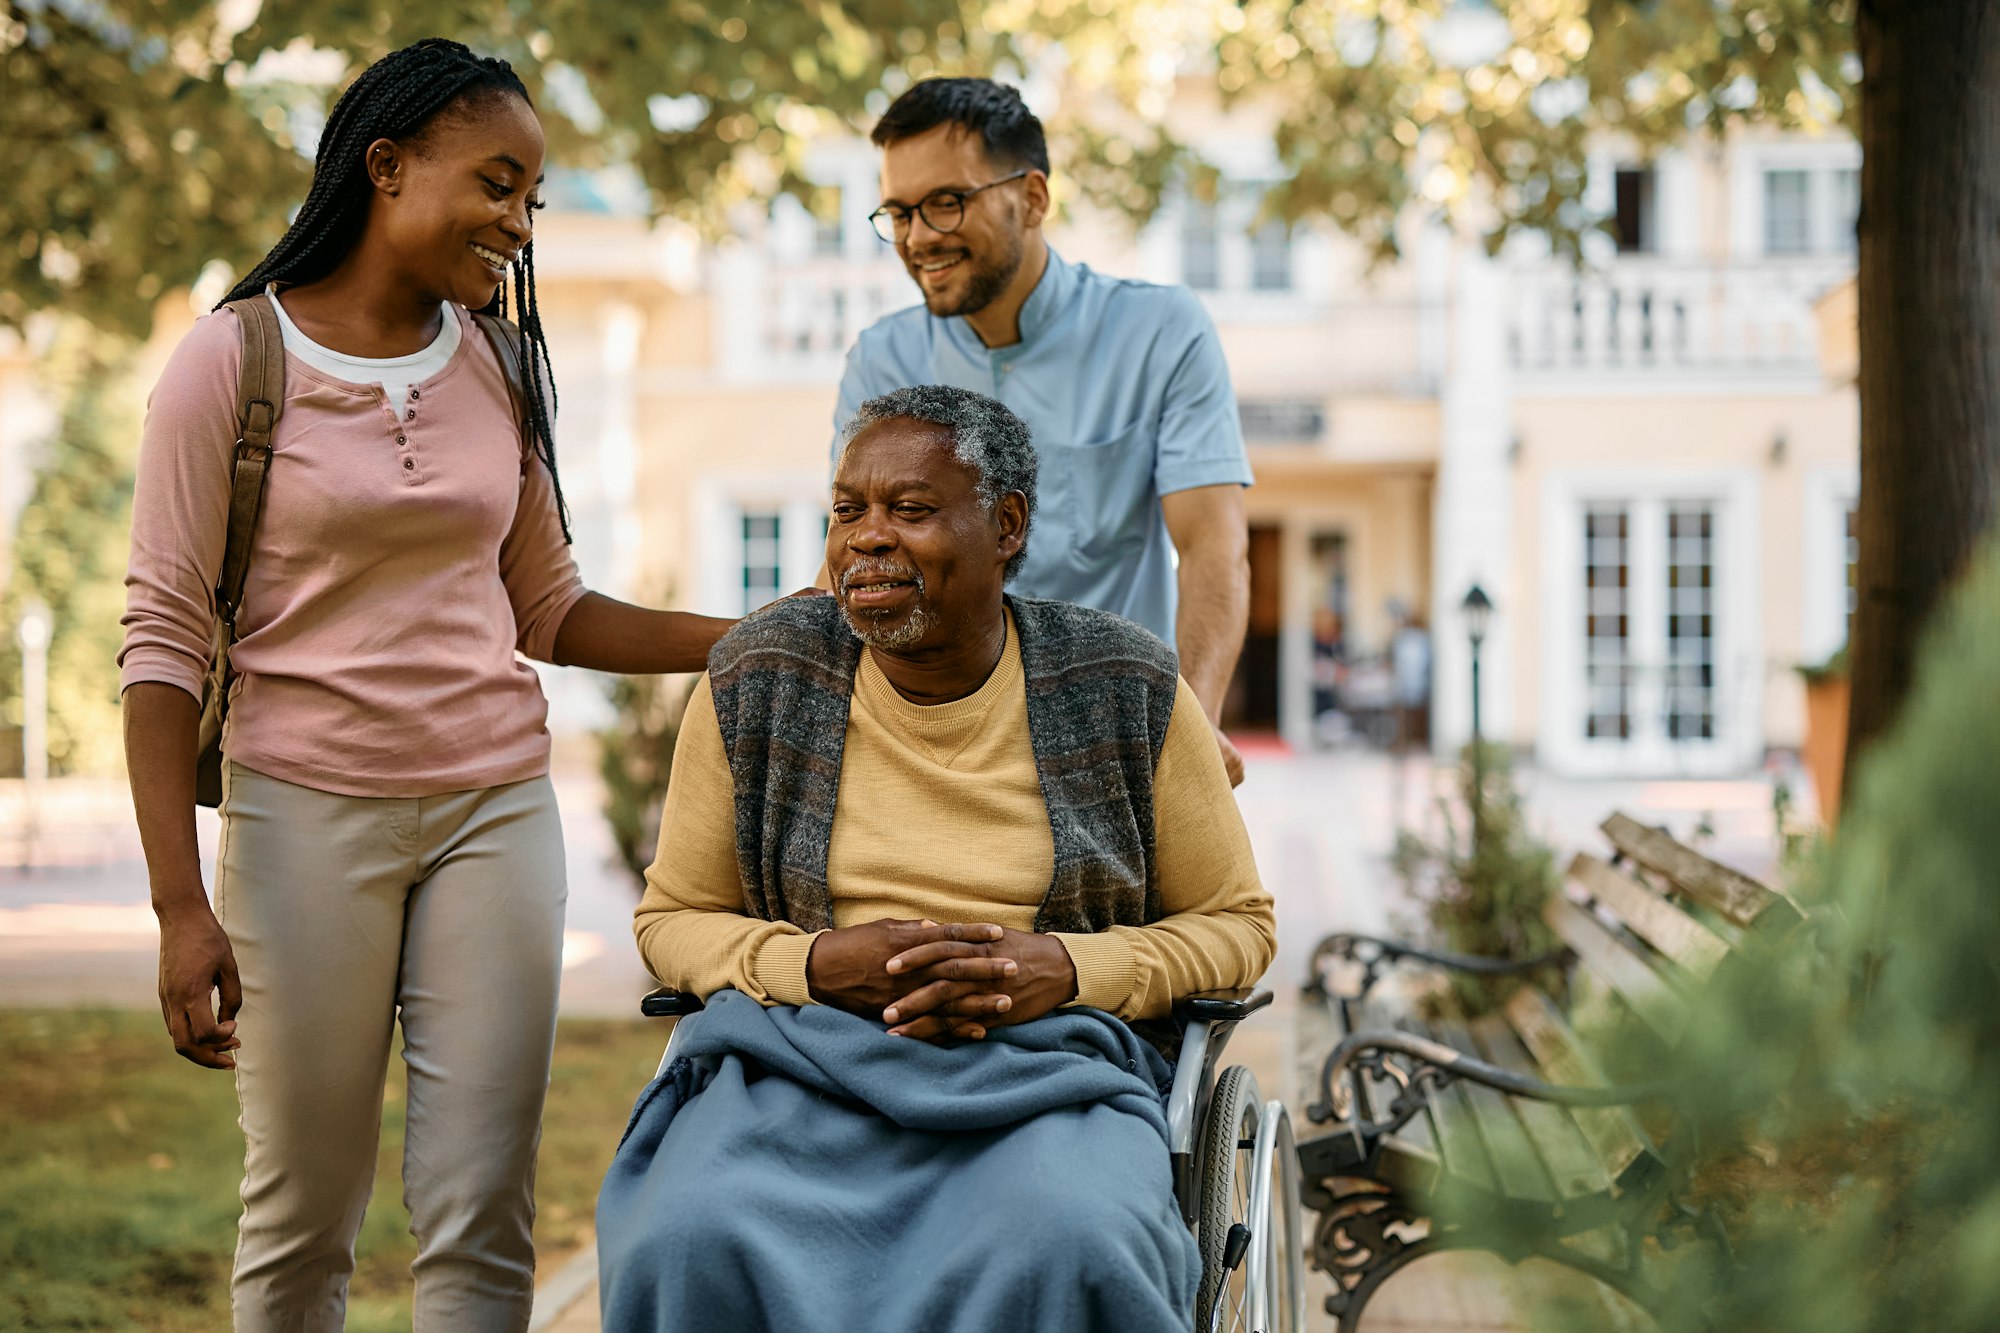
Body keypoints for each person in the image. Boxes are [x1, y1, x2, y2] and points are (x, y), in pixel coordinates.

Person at [118, 40, 737, 1330]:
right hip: (302, 821)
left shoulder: (497, 368)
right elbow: (164, 644)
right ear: (386, 167)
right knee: (302, 1214)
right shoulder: (231, 363)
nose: (519, 222)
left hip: (493, 814)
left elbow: (551, 608)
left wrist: (750, 635)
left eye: (533, 198)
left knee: (480, 1210)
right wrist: (180, 904)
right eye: (496, 184)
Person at [598, 386, 1275, 1331]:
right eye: (848, 511)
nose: (866, 538)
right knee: (687, 1230)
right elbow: (671, 921)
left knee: (1071, 1237)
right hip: (801, 1062)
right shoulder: (758, 677)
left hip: (1049, 1074)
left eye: (910, 510)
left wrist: (1069, 968)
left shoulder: (1126, 683)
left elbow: (1239, 926)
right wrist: (813, 964)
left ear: (1005, 525)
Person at [834, 78, 1254, 784]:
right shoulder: (882, 360)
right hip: (932, 757)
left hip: (1113, 749)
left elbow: (1213, 545)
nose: (919, 238)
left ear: (1031, 198)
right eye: (900, 212)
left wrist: (1194, 724)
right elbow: (854, 561)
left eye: (946, 203)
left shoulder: (1161, 333)